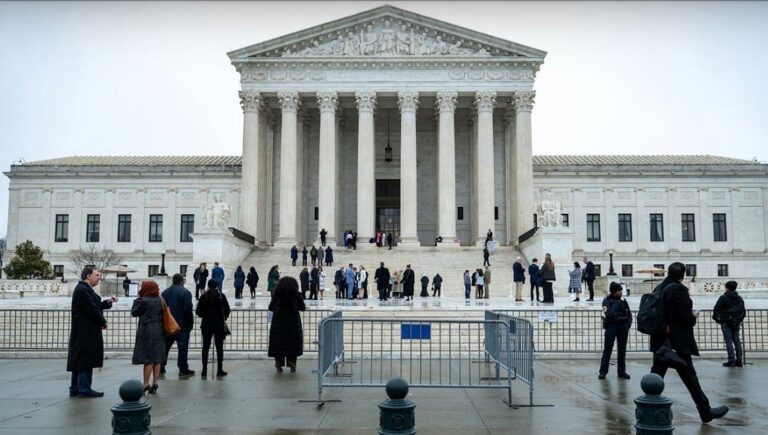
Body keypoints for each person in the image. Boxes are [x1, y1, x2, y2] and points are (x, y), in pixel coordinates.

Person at [650, 262, 729, 423]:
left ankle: (645, 408)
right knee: (689, 376)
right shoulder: (678, 290)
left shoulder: (659, 288)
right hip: (677, 342)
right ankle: (705, 410)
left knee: (655, 377)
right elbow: (685, 319)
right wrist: (693, 316)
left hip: (660, 339)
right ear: (683, 275)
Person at [67, 266, 117, 398]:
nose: (99, 278)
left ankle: (75, 388)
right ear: (88, 276)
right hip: (86, 331)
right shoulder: (83, 290)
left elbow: (95, 305)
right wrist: (103, 322)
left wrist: (108, 302)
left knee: (79, 359)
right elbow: (92, 309)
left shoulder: (83, 289)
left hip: (83, 330)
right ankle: (84, 388)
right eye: (97, 275)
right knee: (85, 360)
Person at [131, 280, 165, 394]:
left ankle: (146, 384)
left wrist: (138, 299)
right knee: (157, 359)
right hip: (159, 330)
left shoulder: (143, 301)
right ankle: (155, 383)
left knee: (148, 359)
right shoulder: (160, 300)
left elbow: (134, 312)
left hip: (146, 330)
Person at [268, 277, 306, 372]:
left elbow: (270, 307)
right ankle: (292, 364)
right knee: (292, 345)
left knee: (278, 345)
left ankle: (278, 364)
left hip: (278, 324)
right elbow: (302, 307)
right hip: (293, 325)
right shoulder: (296, 295)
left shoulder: (276, 295)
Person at [161, 274, 195, 377]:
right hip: (182, 325)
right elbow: (187, 309)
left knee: (165, 346)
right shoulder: (185, 292)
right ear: (182, 281)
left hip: (168, 323)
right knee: (182, 347)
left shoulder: (165, 292)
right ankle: (182, 368)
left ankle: (161, 366)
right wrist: (190, 322)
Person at [196, 279, 231, 377]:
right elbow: (227, 309)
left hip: (206, 325)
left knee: (205, 347)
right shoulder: (221, 296)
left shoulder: (204, 297)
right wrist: (224, 317)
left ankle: (204, 370)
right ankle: (219, 369)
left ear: (208, 285)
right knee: (219, 348)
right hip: (219, 325)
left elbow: (198, 311)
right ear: (216, 286)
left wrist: (205, 316)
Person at [599, 282, 632, 380]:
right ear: (614, 291)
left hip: (622, 327)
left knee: (622, 350)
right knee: (607, 349)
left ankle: (622, 371)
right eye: (619, 290)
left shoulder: (623, 300)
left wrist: (627, 325)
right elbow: (608, 314)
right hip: (611, 326)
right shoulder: (607, 300)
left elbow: (628, 314)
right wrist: (617, 304)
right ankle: (603, 372)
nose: (621, 292)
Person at [713, 280, 746, 367]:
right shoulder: (739, 298)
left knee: (728, 341)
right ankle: (739, 360)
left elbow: (716, 309)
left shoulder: (723, 297)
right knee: (737, 340)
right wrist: (738, 320)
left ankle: (731, 360)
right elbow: (743, 311)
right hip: (736, 322)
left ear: (727, 288)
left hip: (726, 322)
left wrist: (717, 319)